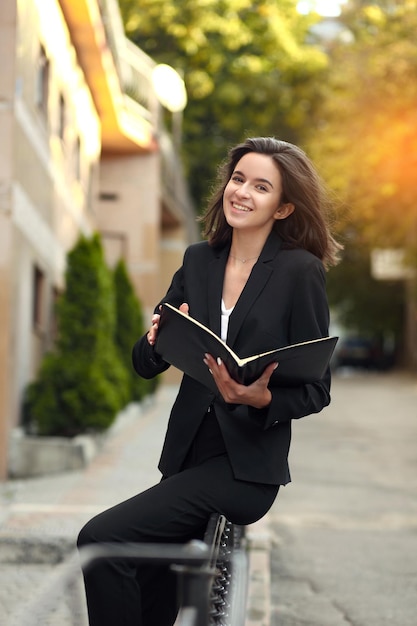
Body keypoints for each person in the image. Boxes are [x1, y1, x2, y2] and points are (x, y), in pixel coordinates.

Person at [77, 136, 341, 626]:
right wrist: (156, 340)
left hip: (243, 470)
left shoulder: (299, 272)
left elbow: (316, 388)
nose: (242, 192)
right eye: (238, 179)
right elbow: (144, 362)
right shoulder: (199, 260)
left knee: (100, 538)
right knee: (153, 592)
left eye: (261, 187)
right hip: (182, 463)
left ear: (283, 208)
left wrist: (261, 398)